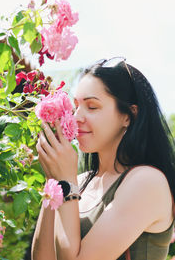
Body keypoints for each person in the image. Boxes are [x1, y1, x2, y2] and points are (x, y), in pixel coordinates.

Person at [31, 57, 175, 260]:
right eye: (76, 106)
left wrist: (65, 182)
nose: (76, 117)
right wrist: (53, 180)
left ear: (128, 116)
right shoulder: (79, 182)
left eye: (92, 107)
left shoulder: (146, 182)